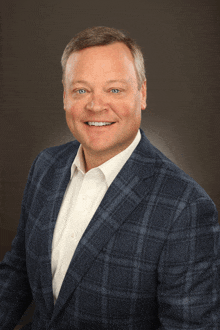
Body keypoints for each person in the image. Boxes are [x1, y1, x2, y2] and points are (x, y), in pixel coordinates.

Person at [0, 26, 220, 330]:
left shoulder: (186, 208)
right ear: (64, 96)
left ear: (142, 94)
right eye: (81, 90)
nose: (96, 105)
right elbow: (18, 270)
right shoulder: (45, 166)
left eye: (114, 89)